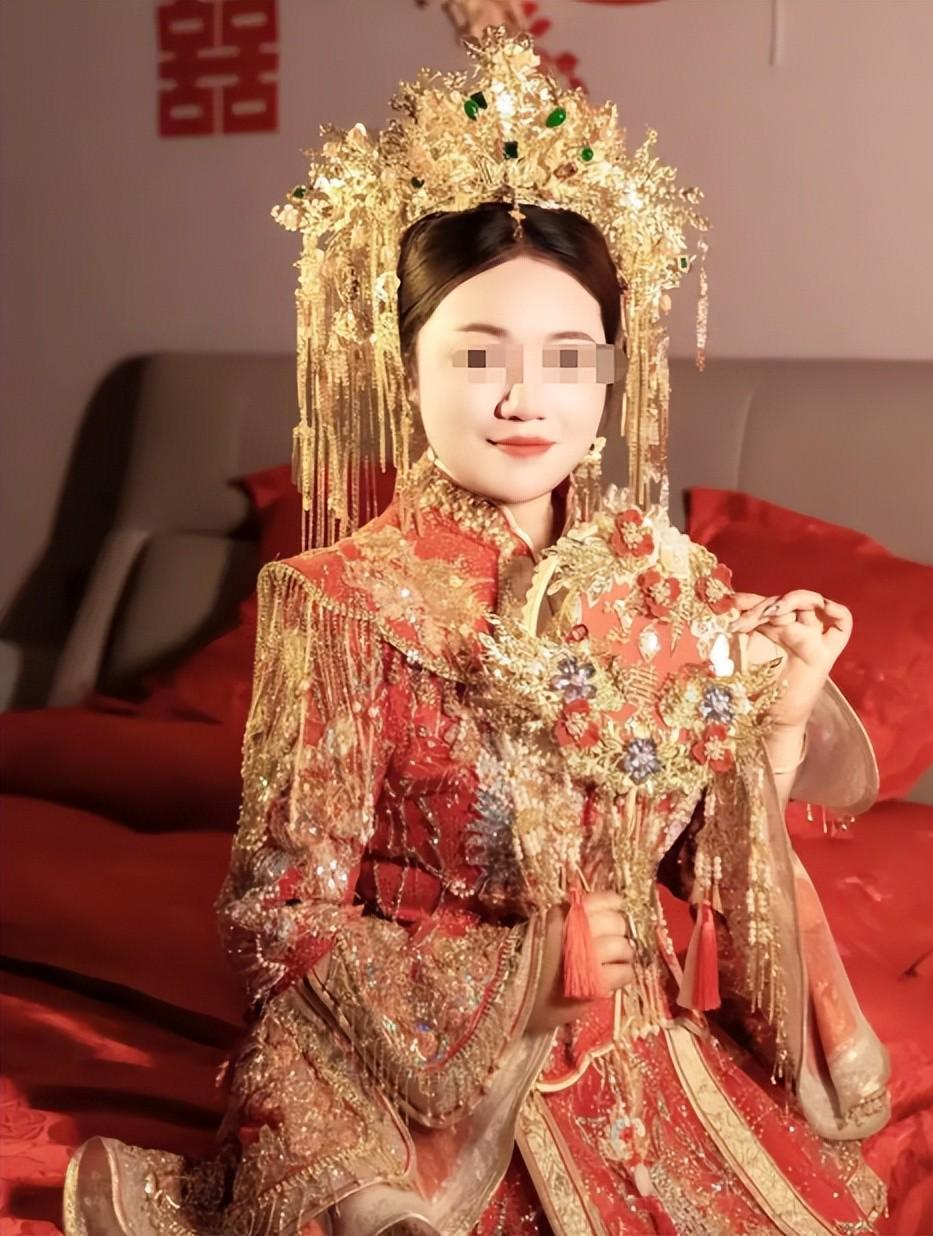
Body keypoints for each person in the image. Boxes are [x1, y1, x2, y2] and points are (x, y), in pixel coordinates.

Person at [64, 28, 889, 1236]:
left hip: (638, 1063)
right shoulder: (341, 598)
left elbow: (700, 874)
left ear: (609, 379)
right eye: (477, 354)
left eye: (567, 358)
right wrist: (521, 970)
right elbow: (276, 917)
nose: (524, 398)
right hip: (408, 1072)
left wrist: (781, 714)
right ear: (407, 368)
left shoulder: (665, 586)